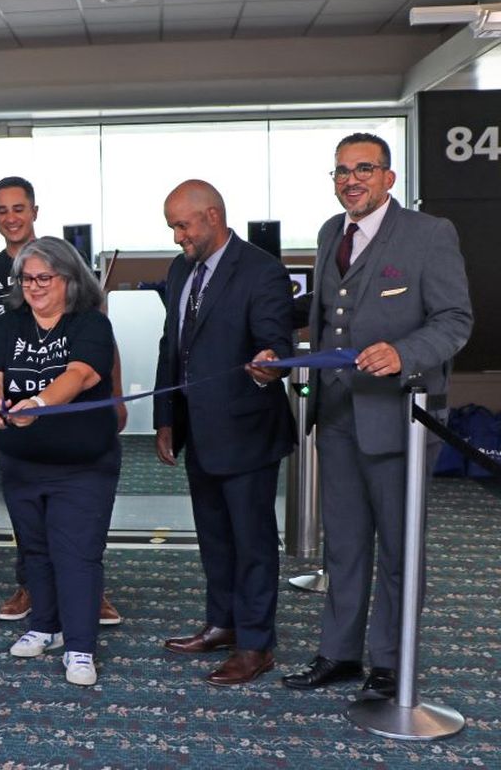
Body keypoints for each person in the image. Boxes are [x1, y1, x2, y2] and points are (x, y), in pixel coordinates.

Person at [281, 134, 473, 700]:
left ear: (389, 177)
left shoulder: (429, 234)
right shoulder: (328, 233)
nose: (350, 180)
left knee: (397, 545)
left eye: (364, 168)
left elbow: (455, 319)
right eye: (341, 171)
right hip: (337, 414)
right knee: (343, 544)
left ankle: (390, 661)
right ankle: (338, 653)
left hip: (400, 421)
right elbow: (326, 312)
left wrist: (402, 353)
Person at [0, 176, 125, 628]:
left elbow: (96, 347)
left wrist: (113, 395)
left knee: (79, 521)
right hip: (16, 427)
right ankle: (32, 586)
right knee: (30, 523)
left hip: (75, 426)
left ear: (34, 210)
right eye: (2, 210)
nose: (11, 217)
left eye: (19, 208)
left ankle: (87, 591)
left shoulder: (64, 263)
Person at [154, 179, 295, 687]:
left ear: (212, 215)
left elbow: (275, 341)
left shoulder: (261, 270)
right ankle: (223, 623)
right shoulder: (180, 269)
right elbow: (172, 343)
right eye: (172, 226)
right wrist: (166, 417)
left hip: (247, 432)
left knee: (252, 541)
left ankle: (256, 645)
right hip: (199, 431)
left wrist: (271, 365)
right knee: (214, 537)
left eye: (182, 225)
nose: (177, 237)